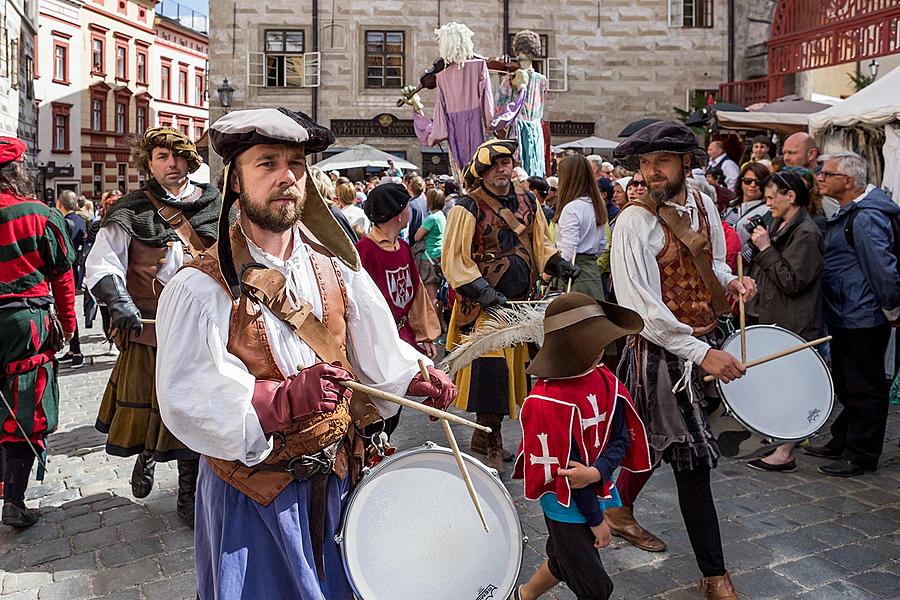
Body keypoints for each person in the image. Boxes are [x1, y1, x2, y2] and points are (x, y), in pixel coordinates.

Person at [155, 107, 455, 599]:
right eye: (267, 163)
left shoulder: (335, 266)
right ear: (235, 182)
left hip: (338, 480)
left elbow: (379, 350)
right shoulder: (199, 287)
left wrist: (413, 377)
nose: (286, 176)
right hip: (255, 499)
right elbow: (188, 397)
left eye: (296, 163)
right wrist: (283, 399)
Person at [611, 121, 756, 599]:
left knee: (653, 444)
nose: (651, 172)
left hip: (701, 343)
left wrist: (730, 282)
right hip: (660, 356)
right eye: (645, 164)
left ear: (685, 163)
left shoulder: (702, 202)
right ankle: (715, 576)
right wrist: (702, 353)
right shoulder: (633, 222)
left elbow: (709, 262)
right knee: (692, 459)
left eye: (662, 162)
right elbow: (641, 311)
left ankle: (616, 509)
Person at [85, 128, 221, 526]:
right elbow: (102, 263)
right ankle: (147, 454)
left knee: (195, 411)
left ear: (191, 161)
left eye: (179, 157)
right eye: (163, 157)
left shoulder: (214, 203)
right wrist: (119, 301)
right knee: (152, 409)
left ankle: (188, 494)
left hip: (202, 331)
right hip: (151, 331)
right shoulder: (129, 209)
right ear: (149, 162)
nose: (172, 165)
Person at [442, 138, 577, 473]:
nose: (503, 170)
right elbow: (455, 259)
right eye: (495, 165)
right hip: (487, 308)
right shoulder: (467, 206)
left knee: (516, 376)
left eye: (506, 163)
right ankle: (492, 443)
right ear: (483, 171)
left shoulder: (527, 199)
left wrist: (556, 262)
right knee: (492, 379)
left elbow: (540, 242)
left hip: (521, 304)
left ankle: (484, 437)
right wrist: (485, 293)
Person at [511, 293, 652, 600]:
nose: (604, 347)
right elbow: (571, 476)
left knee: (564, 561)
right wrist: (597, 521)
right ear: (577, 347)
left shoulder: (604, 380)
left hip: (591, 487)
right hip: (566, 503)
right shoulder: (548, 402)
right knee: (597, 588)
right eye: (597, 341)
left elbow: (620, 440)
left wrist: (598, 472)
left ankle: (523, 596)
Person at [807, 151, 900, 477]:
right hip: (849, 311)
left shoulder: (865, 217)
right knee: (849, 383)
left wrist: (892, 309)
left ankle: (861, 454)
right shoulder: (855, 212)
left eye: (826, 173)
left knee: (864, 387)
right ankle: (843, 439)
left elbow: (882, 270)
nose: (820, 177)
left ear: (846, 181)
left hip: (862, 316)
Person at [0, 136, 76, 528]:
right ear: (16, 171)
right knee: (25, 405)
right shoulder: (40, 214)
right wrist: (68, 324)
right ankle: (13, 498)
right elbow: (63, 277)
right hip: (25, 322)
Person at [743, 171, 824, 472]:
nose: (767, 204)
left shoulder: (807, 233)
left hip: (795, 321)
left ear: (790, 196)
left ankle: (786, 451)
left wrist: (765, 247)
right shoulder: (781, 223)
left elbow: (792, 281)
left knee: (794, 386)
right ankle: (780, 439)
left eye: (770, 197)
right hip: (774, 316)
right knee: (778, 383)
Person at [358, 182, 441, 361]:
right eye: (408, 206)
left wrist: (424, 334)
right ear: (399, 215)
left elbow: (418, 293)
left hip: (405, 336)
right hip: (377, 343)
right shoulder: (364, 251)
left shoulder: (402, 247)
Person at [552, 154, 608, 301]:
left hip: (574, 274)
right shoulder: (596, 205)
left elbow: (568, 249)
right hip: (593, 273)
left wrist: (551, 272)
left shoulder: (571, 208)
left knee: (577, 320)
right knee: (594, 319)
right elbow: (602, 245)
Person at [55, 190, 88, 368]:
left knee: (67, 311)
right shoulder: (80, 219)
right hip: (75, 268)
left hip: (66, 270)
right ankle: (72, 350)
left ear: (60, 204)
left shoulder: (64, 223)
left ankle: (77, 351)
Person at [783, 132, 838, 217]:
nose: (786, 158)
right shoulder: (787, 179)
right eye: (784, 153)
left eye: (792, 153)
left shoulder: (825, 182)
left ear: (811, 154)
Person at [414, 188, 447, 304]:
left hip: (428, 258)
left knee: (431, 295)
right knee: (436, 293)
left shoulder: (431, 218)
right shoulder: (441, 215)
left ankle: (434, 321)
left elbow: (417, 237)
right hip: (438, 256)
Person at [723, 162, 771, 238]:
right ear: (740, 183)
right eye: (748, 181)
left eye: (758, 182)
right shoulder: (731, 205)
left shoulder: (767, 211)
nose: (753, 185)